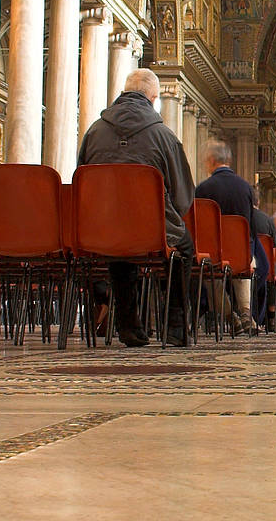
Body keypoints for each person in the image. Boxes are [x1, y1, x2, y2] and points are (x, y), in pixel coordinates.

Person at [77, 68, 197, 347]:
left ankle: (129, 326)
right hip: (152, 230)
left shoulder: (93, 132)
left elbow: (81, 178)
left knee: (120, 249)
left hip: (102, 228)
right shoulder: (164, 136)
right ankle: (175, 327)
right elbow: (182, 196)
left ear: (123, 93)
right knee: (183, 248)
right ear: (153, 98)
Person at [194, 139, 262, 336]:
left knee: (210, 275)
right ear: (228, 161)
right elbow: (251, 225)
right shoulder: (246, 188)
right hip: (240, 252)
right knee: (243, 266)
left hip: (214, 254)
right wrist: (248, 253)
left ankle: (229, 316)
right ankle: (246, 314)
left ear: (211, 160)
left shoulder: (203, 189)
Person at [251, 200, 276, 329]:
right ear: (259, 202)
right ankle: (271, 317)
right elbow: (273, 249)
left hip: (242, 261)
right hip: (263, 264)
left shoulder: (243, 216)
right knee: (273, 271)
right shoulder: (268, 220)